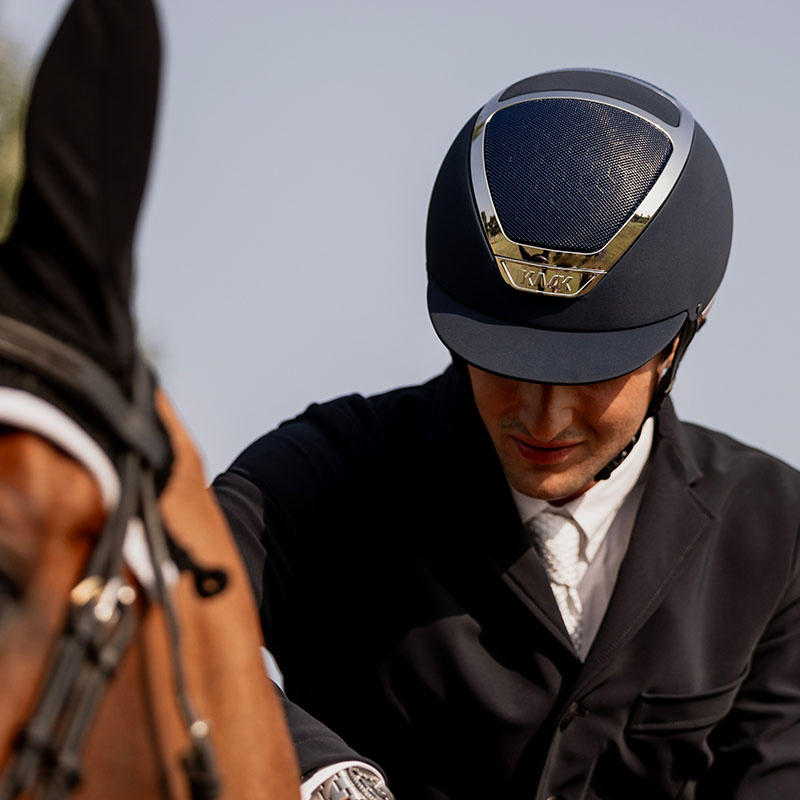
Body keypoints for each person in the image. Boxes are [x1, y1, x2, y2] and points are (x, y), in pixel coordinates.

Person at [213, 69, 800, 799]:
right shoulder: (323, 475)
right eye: (505, 365)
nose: (543, 419)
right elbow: (155, 605)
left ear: (679, 343)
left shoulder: (778, 532)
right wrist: (324, 777)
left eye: (592, 377)